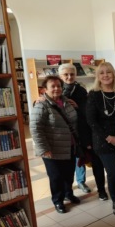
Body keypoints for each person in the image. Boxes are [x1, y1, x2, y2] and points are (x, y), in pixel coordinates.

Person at [86, 62, 115, 216]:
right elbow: (92, 121)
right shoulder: (93, 94)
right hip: (103, 141)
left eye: (109, 72)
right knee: (113, 172)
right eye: (102, 73)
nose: (105, 75)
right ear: (98, 77)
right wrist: (109, 138)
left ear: (113, 75)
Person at [30, 75, 80, 214]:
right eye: (53, 86)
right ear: (45, 89)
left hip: (70, 146)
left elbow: (75, 121)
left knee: (69, 174)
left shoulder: (67, 102)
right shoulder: (41, 104)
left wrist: (77, 107)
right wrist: (43, 149)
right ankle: (58, 200)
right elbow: (35, 128)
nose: (57, 88)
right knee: (56, 176)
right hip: (51, 149)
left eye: (59, 86)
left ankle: (68, 194)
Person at [58, 64, 108, 200]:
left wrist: (78, 107)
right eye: (66, 74)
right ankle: (67, 190)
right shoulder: (56, 88)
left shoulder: (81, 90)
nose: (69, 77)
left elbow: (88, 111)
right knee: (66, 163)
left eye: (72, 74)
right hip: (62, 132)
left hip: (80, 129)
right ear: (60, 76)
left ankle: (81, 181)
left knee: (81, 157)